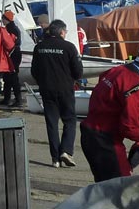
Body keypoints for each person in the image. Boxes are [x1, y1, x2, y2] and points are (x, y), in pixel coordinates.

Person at [80, 41, 139, 181]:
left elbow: (114, 105)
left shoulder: (117, 71)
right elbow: (128, 127)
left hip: (89, 132)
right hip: (106, 140)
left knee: (103, 185)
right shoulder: (137, 85)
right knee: (121, 185)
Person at [31, 19, 83, 168]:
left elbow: (34, 70)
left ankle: (55, 158)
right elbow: (78, 71)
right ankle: (66, 151)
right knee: (70, 120)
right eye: (65, 31)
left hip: (47, 89)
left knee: (52, 123)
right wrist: (74, 79)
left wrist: (42, 81)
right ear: (61, 32)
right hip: (65, 88)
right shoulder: (69, 47)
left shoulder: (39, 47)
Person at [0, 10, 23, 107]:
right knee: (8, 77)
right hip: (14, 54)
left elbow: (12, 43)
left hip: (12, 55)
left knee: (12, 78)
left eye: (3, 19)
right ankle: (7, 98)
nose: (2, 21)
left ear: (6, 19)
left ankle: (17, 99)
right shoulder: (12, 28)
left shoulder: (10, 29)